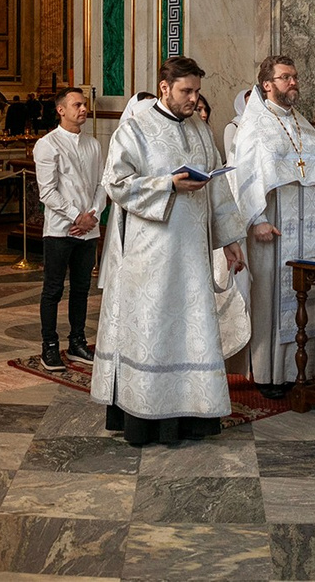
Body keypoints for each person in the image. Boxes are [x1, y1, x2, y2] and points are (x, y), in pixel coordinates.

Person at [92, 56, 247, 447]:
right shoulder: (135, 129)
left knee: (191, 330)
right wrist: (167, 185)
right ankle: (145, 420)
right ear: (164, 88)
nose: (193, 99)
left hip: (192, 255)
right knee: (154, 332)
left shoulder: (199, 130)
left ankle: (191, 418)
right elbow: (117, 183)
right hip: (152, 257)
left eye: (197, 91)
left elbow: (219, 189)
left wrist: (230, 240)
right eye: (186, 92)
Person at [229, 56, 315, 398]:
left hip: (308, 224)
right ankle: (270, 374)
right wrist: (257, 219)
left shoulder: (301, 124)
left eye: (294, 77)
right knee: (271, 296)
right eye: (285, 78)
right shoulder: (254, 125)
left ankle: (305, 368)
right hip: (273, 227)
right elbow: (245, 177)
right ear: (267, 84)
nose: (293, 82)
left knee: (307, 291)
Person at [35, 86, 104, 370]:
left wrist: (94, 214)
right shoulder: (48, 144)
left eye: (85, 104)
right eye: (77, 105)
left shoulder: (94, 144)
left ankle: (77, 342)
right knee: (53, 290)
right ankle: (49, 346)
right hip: (59, 230)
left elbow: (102, 184)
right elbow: (47, 192)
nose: (83, 109)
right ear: (61, 110)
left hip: (88, 229)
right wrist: (77, 215)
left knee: (81, 288)